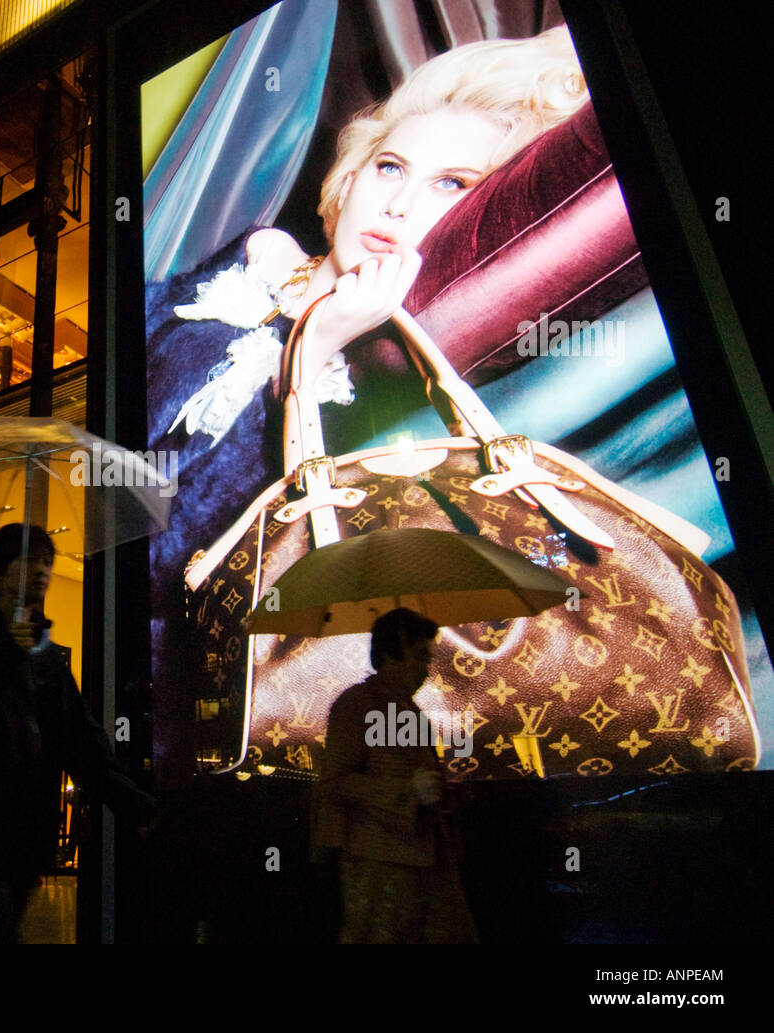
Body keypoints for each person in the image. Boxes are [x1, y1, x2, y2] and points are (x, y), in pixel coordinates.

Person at [146, 26, 589, 780]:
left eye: (453, 185)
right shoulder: (252, 261)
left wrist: (313, 347)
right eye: (390, 167)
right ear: (348, 179)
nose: (400, 203)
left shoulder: (379, 371)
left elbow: (263, 542)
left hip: (187, 706)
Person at [0, 524, 155, 943]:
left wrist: (134, 805)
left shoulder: (45, 657)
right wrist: (5, 653)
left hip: (22, 841)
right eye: (30, 559)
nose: (42, 570)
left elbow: (79, 740)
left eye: (48, 561)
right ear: (0, 569)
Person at [313, 607, 477, 943]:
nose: (426, 670)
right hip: (376, 864)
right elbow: (335, 783)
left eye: (428, 659)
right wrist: (408, 791)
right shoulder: (355, 705)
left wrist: (443, 792)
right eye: (419, 657)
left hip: (427, 858)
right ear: (390, 655)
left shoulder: (412, 711)